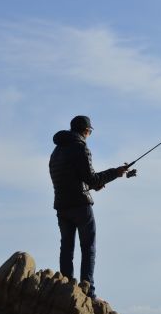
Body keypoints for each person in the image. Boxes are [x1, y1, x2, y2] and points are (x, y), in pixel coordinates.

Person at [49, 115, 128, 299]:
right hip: (80, 206)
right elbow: (91, 178)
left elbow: (73, 177)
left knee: (66, 248)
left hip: (62, 206)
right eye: (90, 132)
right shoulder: (80, 146)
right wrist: (115, 173)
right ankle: (88, 291)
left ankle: (66, 285)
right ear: (86, 131)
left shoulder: (57, 150)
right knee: (88, 247)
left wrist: (92, 184)